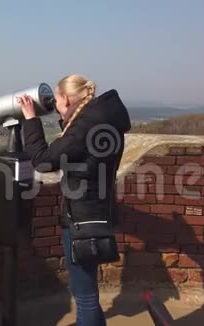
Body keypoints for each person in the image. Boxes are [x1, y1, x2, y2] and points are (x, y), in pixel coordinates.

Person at [17, 74, 131, 326]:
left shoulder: (87, 126)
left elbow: (44, 160)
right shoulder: (101, 120)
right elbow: (74, 148)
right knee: (87, 290)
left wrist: (30, 119)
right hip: (99, 212)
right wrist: (63, 118)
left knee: (85, 295)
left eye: (56, 100)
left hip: (82, 218)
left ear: (67, 99)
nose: (55, 105)